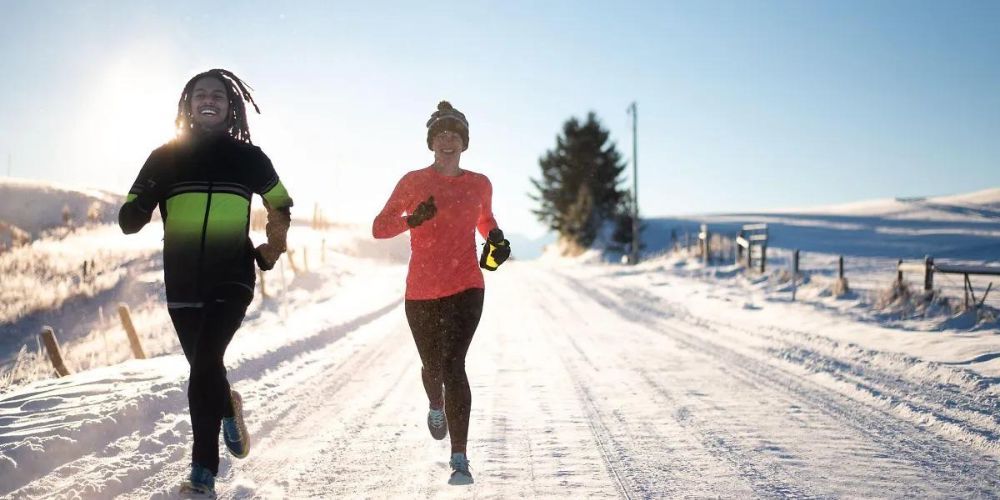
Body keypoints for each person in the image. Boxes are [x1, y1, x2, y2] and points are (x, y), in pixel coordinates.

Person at [118, 69, 293, 497]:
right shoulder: (164, 157)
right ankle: (228, 406)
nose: (209, 100)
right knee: (204, 367)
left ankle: (202, 473)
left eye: (218, 94)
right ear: (188, 104)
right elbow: (128, 221)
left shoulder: (250, 158)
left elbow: (281, 202)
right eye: (201, 95)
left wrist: (274, 244)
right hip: (182, 282)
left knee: (206, 362)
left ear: (231, 105)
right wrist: (149, 191)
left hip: (233, 273)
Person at [372, 101, 511, 485]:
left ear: (464, 143)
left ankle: (460, 458)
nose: (447, 141)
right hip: (421, 290)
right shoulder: (413, 182)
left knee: (454, 365)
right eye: (440, 135)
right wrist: (411, 219)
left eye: (454, 135)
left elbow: (486, 221)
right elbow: (379, 228)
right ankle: (435, 402)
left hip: (466, 285)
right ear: (431, 142)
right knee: (432, 367)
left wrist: (496, 240)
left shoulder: (479, 183)